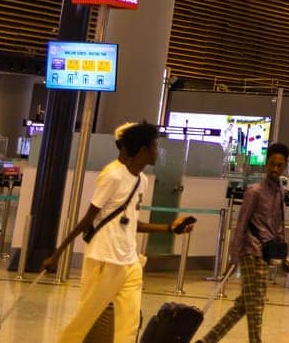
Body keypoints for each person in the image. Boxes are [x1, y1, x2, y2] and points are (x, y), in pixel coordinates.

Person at [49, 121, 195, 343]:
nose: (158, 152)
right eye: (155, 147)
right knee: (84, 319)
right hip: (104, 259)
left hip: (129, 261)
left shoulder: (141, 180)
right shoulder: (113, 176)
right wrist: (57, 254)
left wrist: (169, 228)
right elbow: (88, 220)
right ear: (143, 150)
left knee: (129, 323)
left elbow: (130, 222)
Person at [200, 143, 289, 343]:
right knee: (256, 305)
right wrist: (233, 257)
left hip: (266, 253)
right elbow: (241, 225)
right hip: (251, 251)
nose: (275, 169)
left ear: (285, 166)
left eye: (280, 165)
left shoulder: (280, 193)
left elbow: (279, 224)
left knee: (244, 305)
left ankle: (207, 340)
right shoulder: (254, 191)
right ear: (266, 164)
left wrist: (282, 255)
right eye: (272, 164)